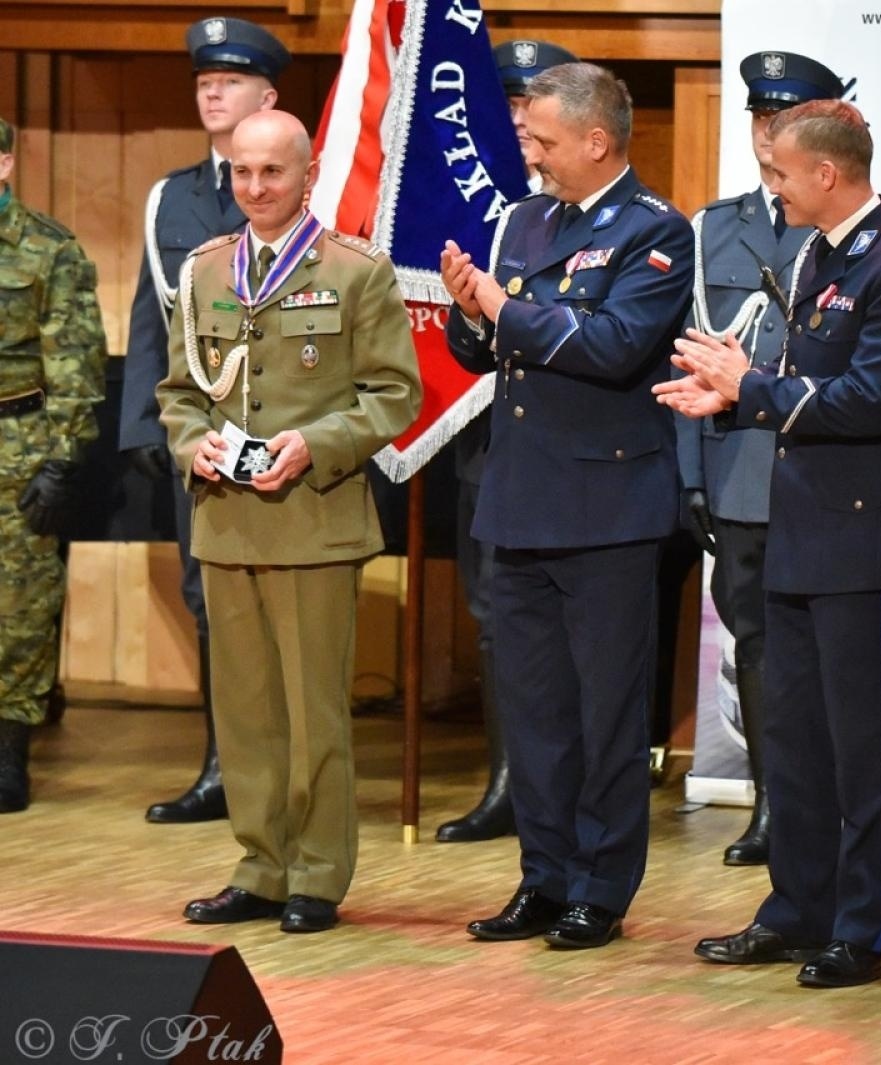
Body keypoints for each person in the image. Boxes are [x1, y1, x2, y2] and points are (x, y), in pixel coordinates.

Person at [661, 99, 881, 988]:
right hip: (799, 530)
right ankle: (796, 909)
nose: (769, 187)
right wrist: (733, 394)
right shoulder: (818, 253)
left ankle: (863, 929)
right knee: (798, 742)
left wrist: (756, 391)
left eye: (780, 172)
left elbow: (870, 399)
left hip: (864, 540)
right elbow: (792, 382)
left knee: (866, 751)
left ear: (826, 173)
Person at [442, 62, 692, 950]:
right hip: (517, 497)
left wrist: (500, 307)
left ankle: (600, 886)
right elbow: (488, 353)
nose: (531, 152)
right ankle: (542, 879)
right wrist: (470, 311)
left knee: (606, 713)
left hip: (607, 505)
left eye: (544, 138)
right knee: (534, 711)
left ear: (596, 140)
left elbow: (618, 345)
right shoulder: (524, 218)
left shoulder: (656, 231)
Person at [159, 109, 421, 933]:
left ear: (307, 176)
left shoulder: (355, 271)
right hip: (227, 521)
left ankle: (316, 873)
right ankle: (259, 865)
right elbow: (177, 393)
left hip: (314, 521)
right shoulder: (205, 271)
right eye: (241, 172)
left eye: (272, 172)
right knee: (245, 713)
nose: (255, 188)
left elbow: (394, 395)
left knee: (314, 714)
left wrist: (318, 443)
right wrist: (193, 444)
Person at [677, 50, 845, 868]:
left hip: (820, 466)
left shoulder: (847, 222)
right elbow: (689, 356)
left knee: (824, 655)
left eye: (787, 117)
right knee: (757, 649)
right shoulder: (715, 227)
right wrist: (690, 472)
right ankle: (772, 806)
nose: (768, 131)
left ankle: (831, 810)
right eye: (760, 118)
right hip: (739, 467)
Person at [120, 17, 289, 825]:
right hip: (205, 434)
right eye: (202, 81)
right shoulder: (171, 198)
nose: (211, 90)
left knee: (287, 605)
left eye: (228, 80)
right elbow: (150, 315)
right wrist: (144, 427)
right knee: (206, 595)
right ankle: (223, 765)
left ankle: (286, 771)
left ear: (268, 94)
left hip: (288, 427)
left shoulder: (300, 184)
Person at [435, 37, 578, 845]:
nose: (517, 118)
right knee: (496, 616)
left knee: (572, 635)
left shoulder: (594, 213)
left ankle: (560, 798)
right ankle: (507, 782)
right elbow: (472, 342)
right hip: (490, 439)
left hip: (575, 450)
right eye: (509, 104)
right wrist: (466, 308)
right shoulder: (489, 205)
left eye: (532, 104)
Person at [0, 114, 108, 813]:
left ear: (4, 165)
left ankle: (9, 750)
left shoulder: (46, 248)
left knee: (20, 607)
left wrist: (63, 459)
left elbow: (75, 361)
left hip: (17, 442)